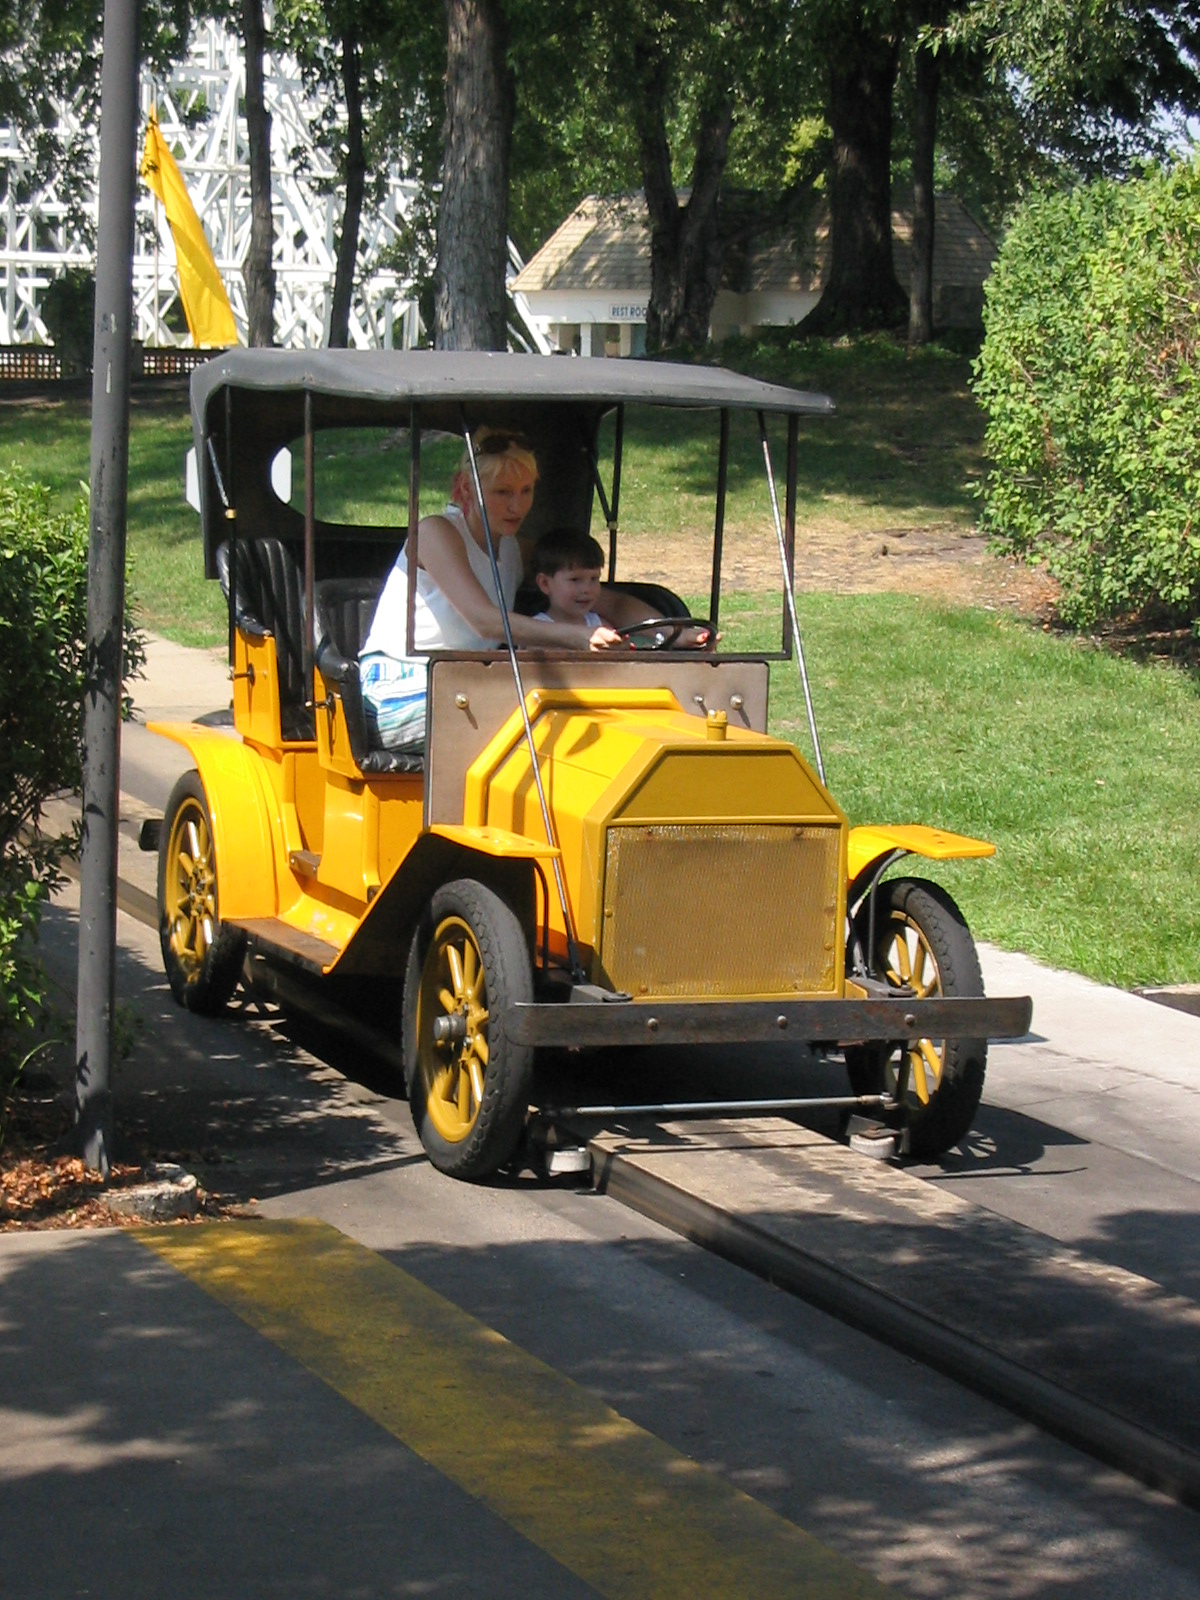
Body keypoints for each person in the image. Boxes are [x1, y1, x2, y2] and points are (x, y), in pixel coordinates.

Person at [358, 430, 624, 748]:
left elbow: (595, 593)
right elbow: (484, 620)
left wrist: (666, 631)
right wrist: (578, 637)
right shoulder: (434, 532)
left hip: (467, 686)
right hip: (396, 688)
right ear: (467, 489)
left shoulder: (512, 549)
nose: (517, 506)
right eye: (502, 492)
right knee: (536, 708)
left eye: (526, 491)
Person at [530, 526, 714, 647]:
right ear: (545, 584)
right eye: (575, 580)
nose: (587, 589)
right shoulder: (536, 629)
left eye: (594, 579)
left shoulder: (598, 624)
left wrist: (623, 648)